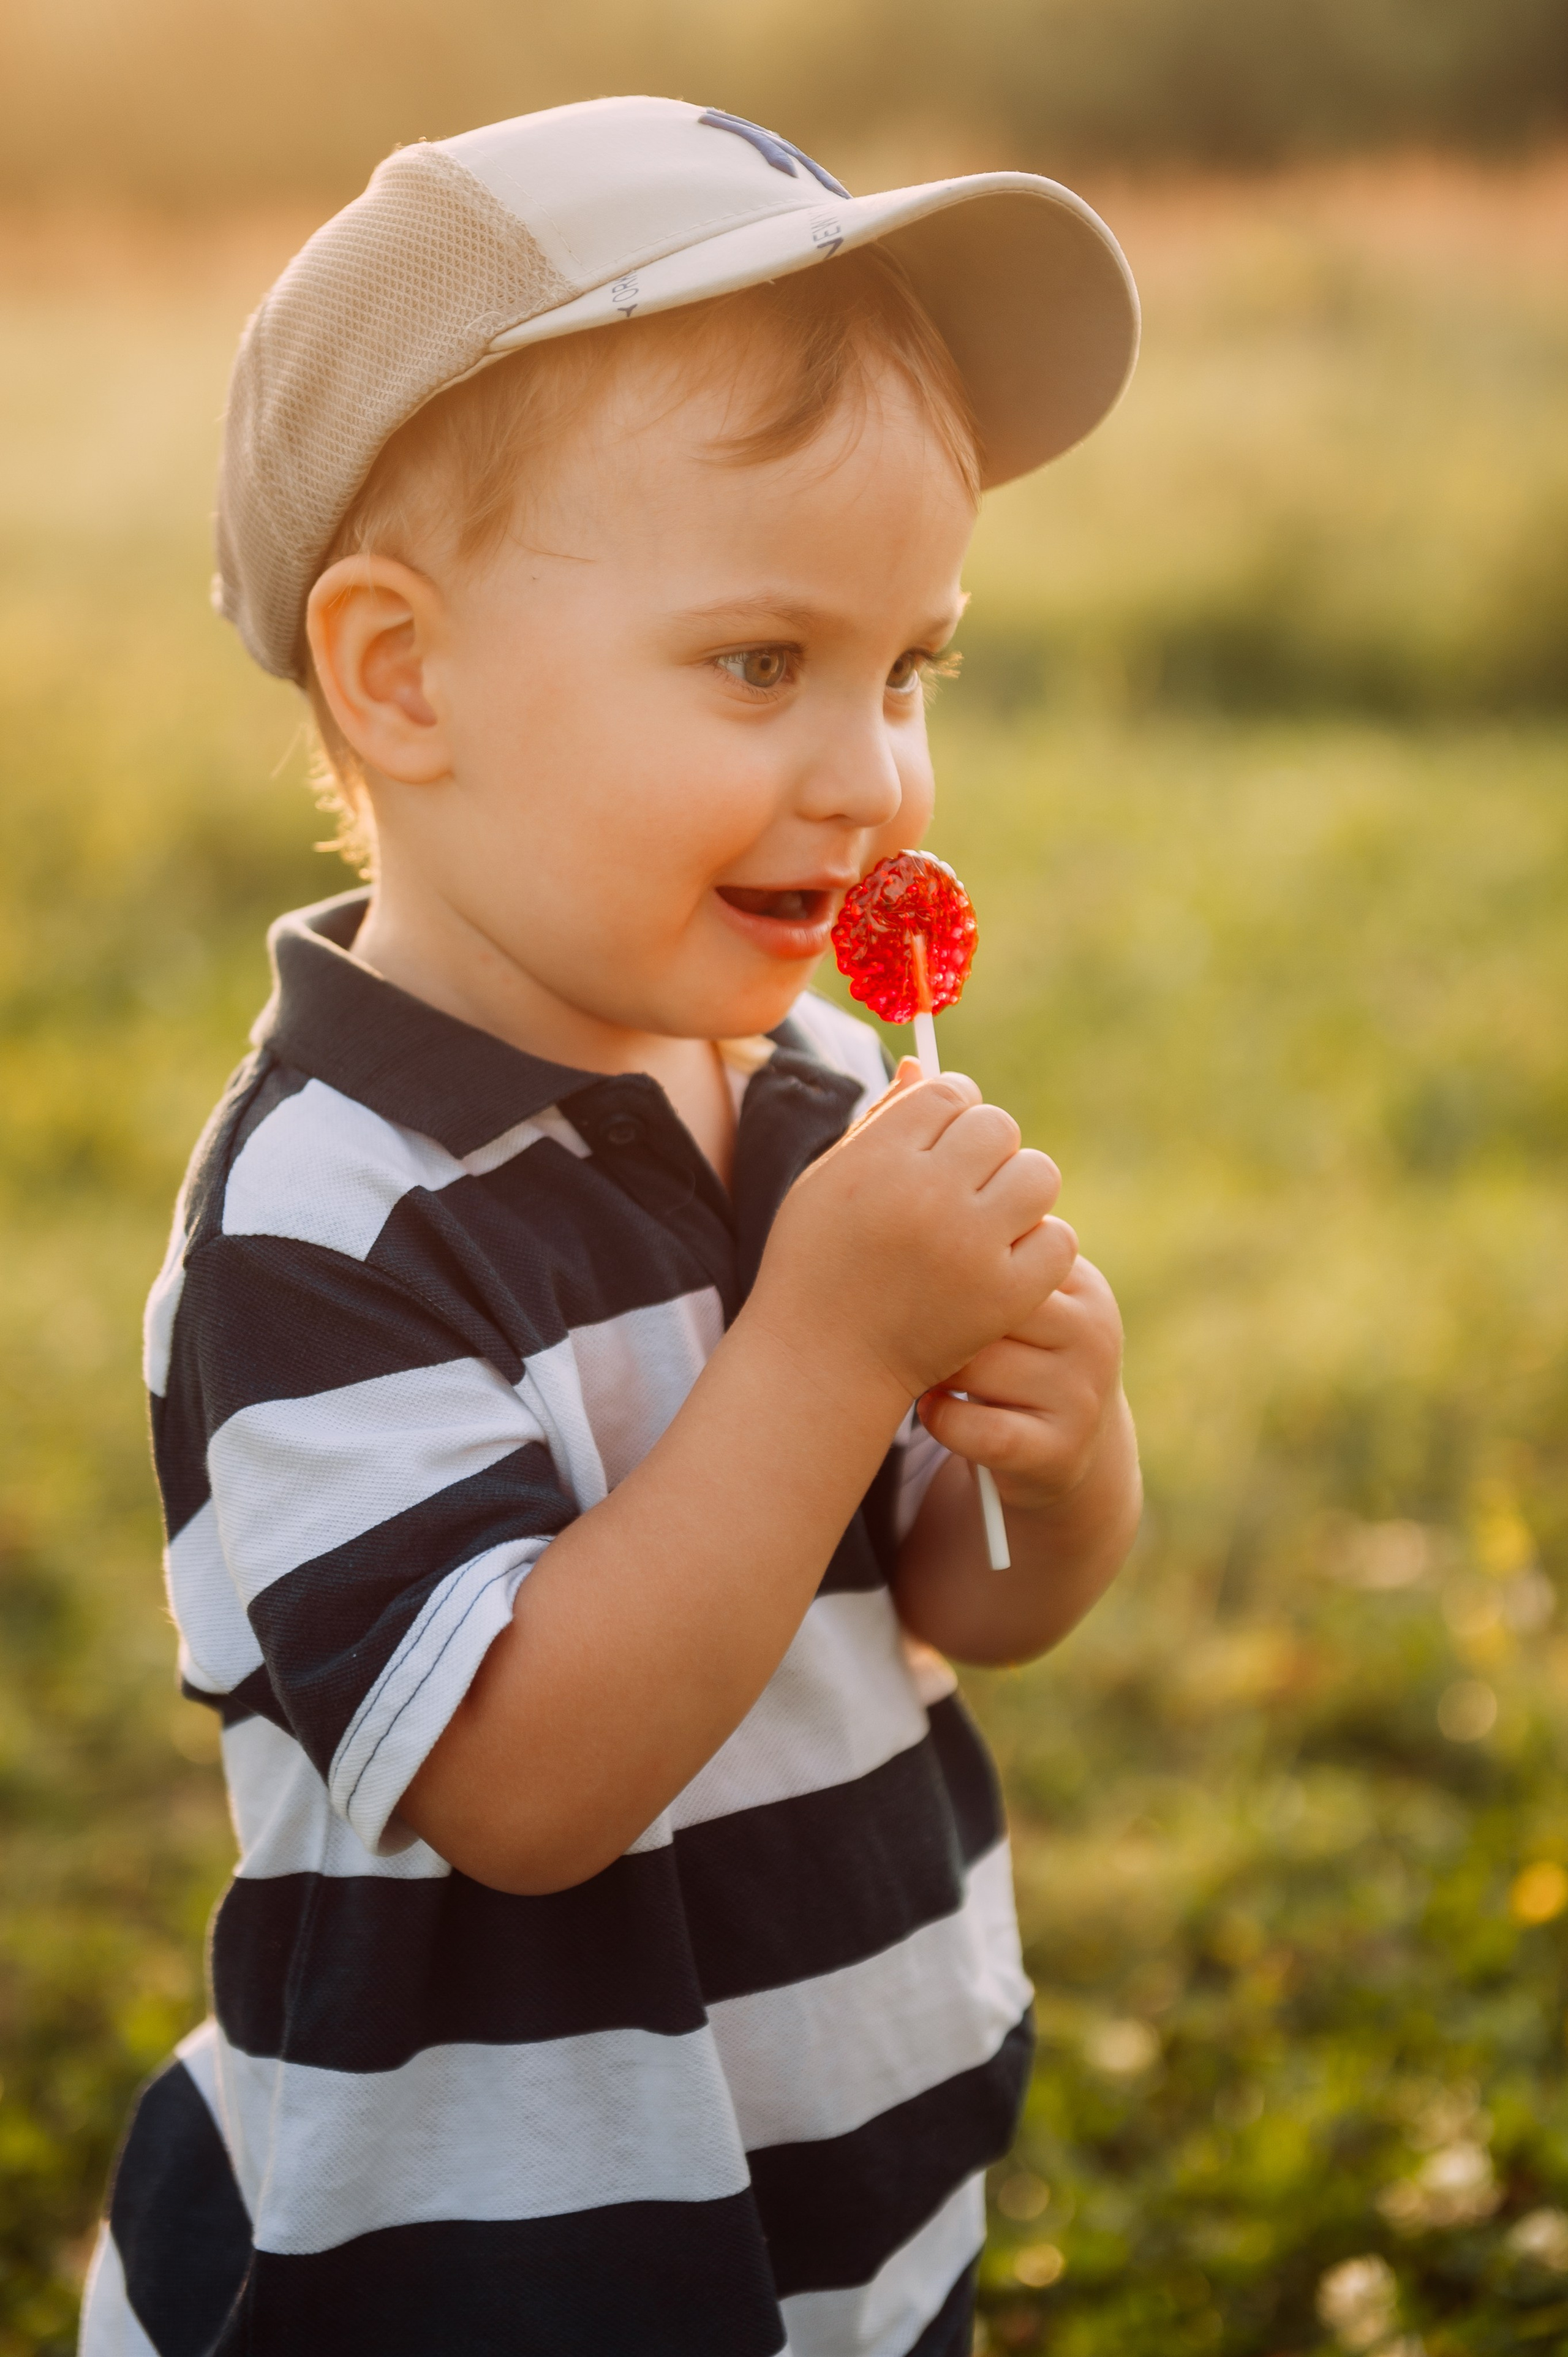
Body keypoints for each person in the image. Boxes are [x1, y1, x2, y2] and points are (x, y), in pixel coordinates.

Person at [80, 96, 1143, 2357]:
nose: (871, 775)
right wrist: (828, 1348)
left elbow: (965, 1595)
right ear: (404, 676)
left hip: (851, 2205)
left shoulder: (818, 1092)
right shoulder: (324, 1222)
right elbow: (526, 1790)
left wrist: (1060, 1448)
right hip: (483, 2269)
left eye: (911, 668)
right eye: (762, 663)